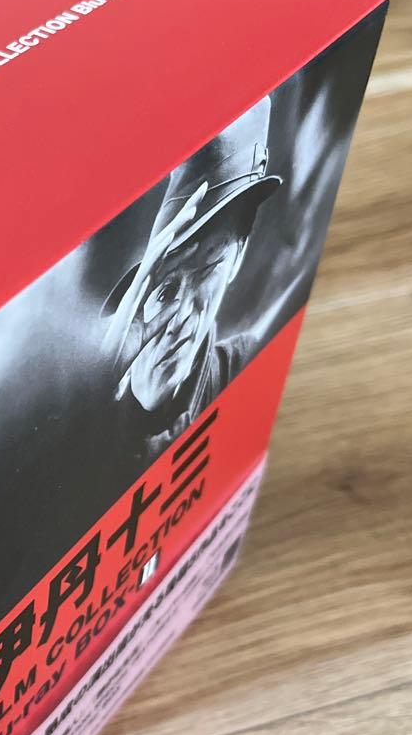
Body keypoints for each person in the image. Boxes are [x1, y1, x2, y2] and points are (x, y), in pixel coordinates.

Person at [101, 96, 283, 463]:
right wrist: (96, 392)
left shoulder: (247, 366)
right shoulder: (84, 411)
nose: (181, 316)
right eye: (165, 289)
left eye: (206, 272)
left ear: (238, 256)